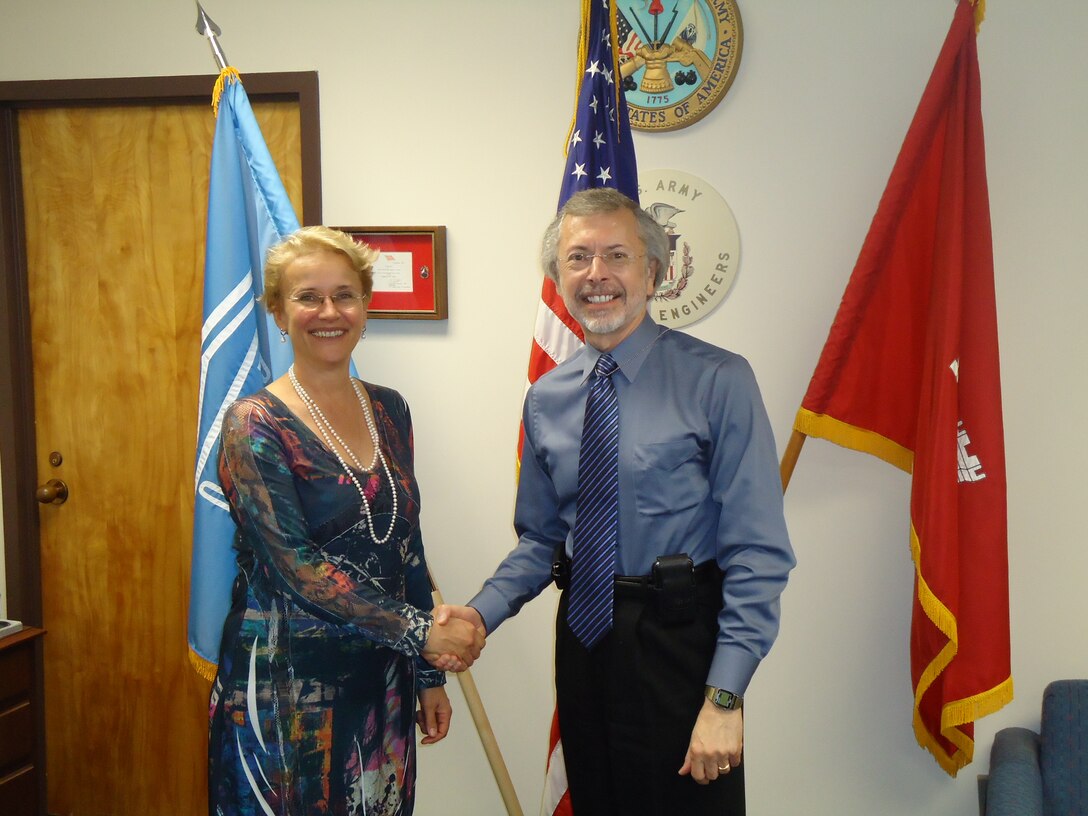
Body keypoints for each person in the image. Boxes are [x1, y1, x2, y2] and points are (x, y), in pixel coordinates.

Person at [442, 189, 795, 814]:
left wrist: (725, 698)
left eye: (617, 255)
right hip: (585, 643)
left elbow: (758, 551)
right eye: (578, 257)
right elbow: (541, 540)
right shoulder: (547, 397)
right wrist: (479, 614)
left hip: (681, 645)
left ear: (652, 272)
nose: (596, 274)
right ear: (558, 277)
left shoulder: (719, 380)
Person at [207, 226, 484, 816]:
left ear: (365, 306)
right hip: (288, 691)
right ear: (279, 312)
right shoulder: (253, 422)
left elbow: (406, 545)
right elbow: (296, 567)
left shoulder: (389, 407)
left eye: (344, 295)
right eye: (308, 297)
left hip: (381, 678)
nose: (328, 312)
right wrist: (422, 633)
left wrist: (427, 674)